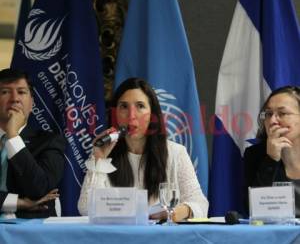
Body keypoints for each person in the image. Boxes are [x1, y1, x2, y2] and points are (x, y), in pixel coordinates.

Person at [78, 77, 208, 221]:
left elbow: (201, 205)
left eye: (140, 106)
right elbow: (86, 208)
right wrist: (99, 159)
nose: (131, 116)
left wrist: (174, 212)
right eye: (124, 106)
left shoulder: (176, 153)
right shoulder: (104, 153)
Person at [0, 68, 66, 218]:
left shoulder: (51, 142)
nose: (15, 98)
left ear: (32, 103)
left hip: (32, 233)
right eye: (5, 92)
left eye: (22, 92)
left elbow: (39, 189)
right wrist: (19, 202)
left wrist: (13, 137)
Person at [243, 86, 300, 217]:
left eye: (282, 113)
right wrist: (271, 160)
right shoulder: (255, 155)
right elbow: (252, 210)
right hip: (277, 235)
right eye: (268, 114)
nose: (273, 121)